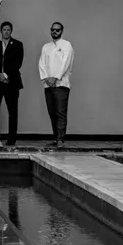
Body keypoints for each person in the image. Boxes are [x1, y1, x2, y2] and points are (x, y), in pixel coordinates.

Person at [38, 21, 74, 150]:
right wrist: (47, 78)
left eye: (57, 30)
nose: (55, 31)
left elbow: (65, 63)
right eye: (53, 29)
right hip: (48, 85)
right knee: (52, 113)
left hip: (61, 85)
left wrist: (56, 77)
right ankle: (55, 138)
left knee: (60, 112)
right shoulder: (46, 47)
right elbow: (41, 63)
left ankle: (60, 139)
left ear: (61, 31)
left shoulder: (66, 45)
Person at [0, 21, 24, 147]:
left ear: (11, 31)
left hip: (11, 82)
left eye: (8, 30)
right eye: (4, 30)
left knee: (12, 112)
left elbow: (18, 63)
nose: (6, 32)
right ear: (1, 31)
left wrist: (6, 75)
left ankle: (11, 139)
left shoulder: (18, 44)